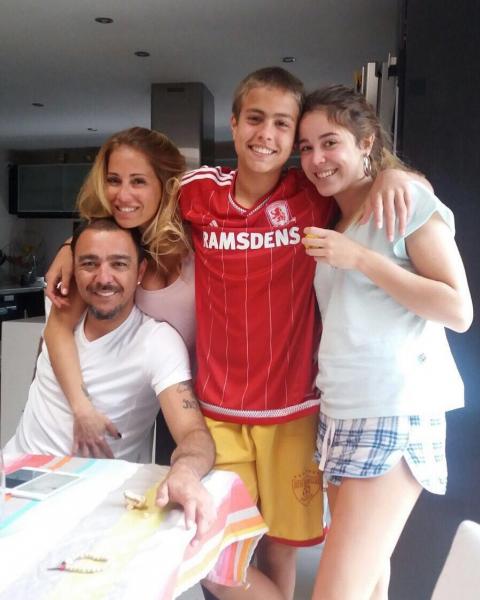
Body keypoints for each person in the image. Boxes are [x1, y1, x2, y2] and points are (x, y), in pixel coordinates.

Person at [45, 68, 427, 600]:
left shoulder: (310, 195)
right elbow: (130, 210)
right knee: (215, 557)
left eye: (281, 124)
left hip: (296, 409)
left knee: (279, 551)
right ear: (233, 122)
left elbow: (377, 188)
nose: (265, 134)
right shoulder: (199, 191)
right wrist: (71, 247)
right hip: (218, 411)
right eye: (254, 119)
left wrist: (395, 177)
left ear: (293, 137)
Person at [298, 85, 473, 600]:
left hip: (393, 411)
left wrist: (360, 259)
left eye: (330, 142)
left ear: (366, 142)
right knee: (372, 582)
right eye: (306, 147)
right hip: (340, 413)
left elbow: (458, 309)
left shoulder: (405, 201)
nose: (317, 159)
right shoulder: (338, 218)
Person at [5, 218, 215, 543]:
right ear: (73, 268)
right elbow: (42, 367)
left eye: (119, 264)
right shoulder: (60, 310)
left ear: (140, 271)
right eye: (89, 264)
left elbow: (193, 433)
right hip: (15, 476)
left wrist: (185, 471)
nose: (104, 278)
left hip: (92, 501)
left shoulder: (157, 343)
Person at [44, 127, 193, 461]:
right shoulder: (105, 248)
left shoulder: (198, 236)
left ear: (166, 184)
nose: (123, 196)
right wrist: (71, 248)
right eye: (114, 180)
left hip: (209, 392)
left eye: (138, 181)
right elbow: (57, 329)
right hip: (153, 387)